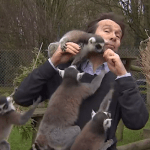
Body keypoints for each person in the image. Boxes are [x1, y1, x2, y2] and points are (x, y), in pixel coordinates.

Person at [13, 12, 149, 149]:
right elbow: (22, 97)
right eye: (107, 31)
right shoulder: (65, 71)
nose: (113, 36)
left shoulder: (121, 80)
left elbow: (137, 122)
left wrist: (124, 76)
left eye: (118, 36)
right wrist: (53, 62)